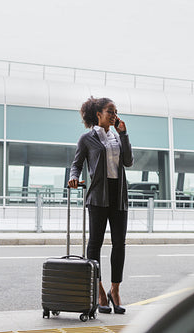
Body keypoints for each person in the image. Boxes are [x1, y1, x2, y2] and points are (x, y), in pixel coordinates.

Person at [68, 96, 133, 314]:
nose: (114, 115)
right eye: (110, 111)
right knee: (95, 244)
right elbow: (76, 164)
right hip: (97, 196)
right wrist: (73, 177)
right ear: (98, 114)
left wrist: (124, 134)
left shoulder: (117, 137)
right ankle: (99, 289)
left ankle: (115, 290)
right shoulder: (87, 139)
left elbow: (128, 161)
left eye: (115, 112)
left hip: (118, 196)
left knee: (119, 243)